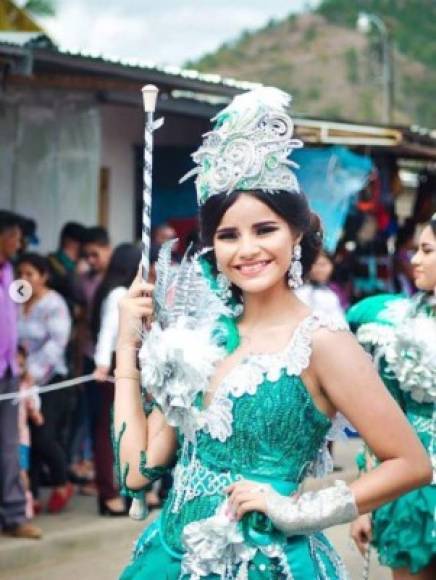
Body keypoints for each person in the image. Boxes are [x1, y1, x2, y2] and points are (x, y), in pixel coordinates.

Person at [114, 88, 431, 579]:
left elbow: (410, 463)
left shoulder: (323, 341)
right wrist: (125, 345)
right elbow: (137, 471)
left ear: (296, 234)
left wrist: (299, 511)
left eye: (265, 230)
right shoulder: (202, 340)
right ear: (212, 247)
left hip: (270, 564)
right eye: (227, 235)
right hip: (167, 559)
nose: (247, 250)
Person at [349, 215, 436, 579]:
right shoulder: (393, 326)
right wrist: (365, 504)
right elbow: (384, 420)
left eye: (427, 250)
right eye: (417, 249)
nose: (414, 259)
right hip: (415, 488)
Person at [17, 253, 73, 514]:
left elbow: (57, 344)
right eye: (21, 274)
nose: (24, 279)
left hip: (50, 379)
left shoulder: (54, 303)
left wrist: (33, 374)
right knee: (24, 437)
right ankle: (32, 493)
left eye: (30, 274)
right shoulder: (15, 301)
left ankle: (62, 481)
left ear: (43, 277)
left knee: (42, 436)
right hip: (19, 380)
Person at [0, 211, 42, 539]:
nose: (19, 243)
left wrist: (20, 356)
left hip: (9, 373)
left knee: (10, 446)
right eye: (14, 235)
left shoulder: (9, 272)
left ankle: (14, 515)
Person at [91, 243, 141, 516]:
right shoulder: (120, 294)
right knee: (110, 432)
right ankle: (108, 493)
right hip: (114, 368)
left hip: (120, 366)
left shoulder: (114, 290)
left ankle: (126, 491)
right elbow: (108, 332)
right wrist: (101, 366)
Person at [68, 226, 113, 486]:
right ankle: (91, 468)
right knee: (90, 416)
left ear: (107, 248)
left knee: (106, 421)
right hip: (88, 356)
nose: (91, 260)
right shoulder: (83, 280)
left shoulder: (119, 281)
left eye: (95, 254)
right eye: (86, 256)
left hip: (110, 362)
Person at [295, 250, 345, 320]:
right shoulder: (299, 291)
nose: (319, 269)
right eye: (314, 264)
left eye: (323, 265)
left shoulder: (335, 290)